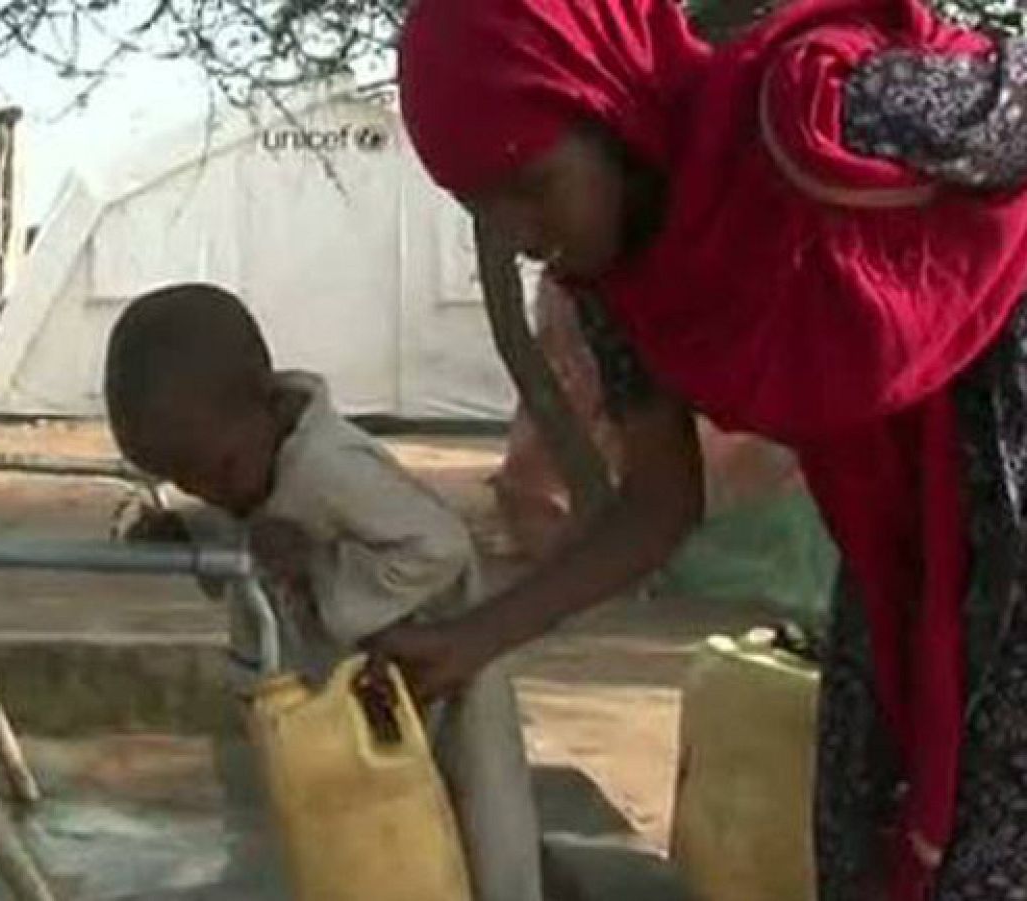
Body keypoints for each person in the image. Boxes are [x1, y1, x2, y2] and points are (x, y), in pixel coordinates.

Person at [382, 0, 1027, 897]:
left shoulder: (824, 113)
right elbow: (659, 500)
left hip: (1004, 478)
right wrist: (469, 641)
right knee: (863, 835)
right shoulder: (622, 286)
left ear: (601, 105)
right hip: (897, 543)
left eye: (529, 184)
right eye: (480, 208)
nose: (520, 233)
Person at [103, 283, 543, 901]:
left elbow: (437, 547)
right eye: (187, 482)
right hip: (352, 696)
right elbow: (246, 535)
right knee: (362, 841)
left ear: (265, 401)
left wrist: (316, 570)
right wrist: (191, 531)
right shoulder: (249, 455)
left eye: (220, 472)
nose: (217, 493)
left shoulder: (329, 468)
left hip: (444, 681)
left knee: (481, 835)